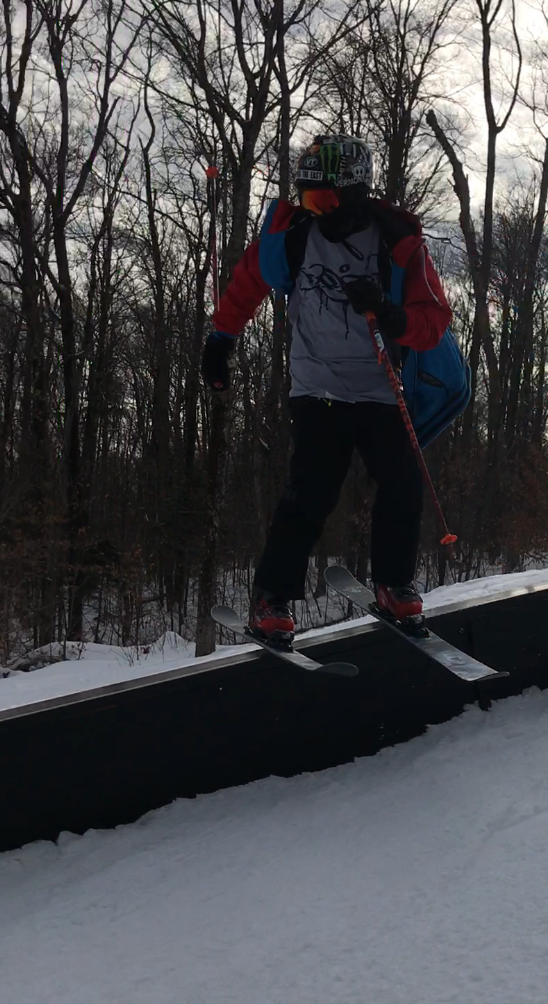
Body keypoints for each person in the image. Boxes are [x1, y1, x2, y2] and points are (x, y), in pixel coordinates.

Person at [201, 134, 452, 644]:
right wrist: (221, 338)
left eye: (326, 200)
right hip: (318, 388)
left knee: (403, 485)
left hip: (380, 389)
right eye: (309, 199)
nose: (316, 211)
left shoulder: (397, 245)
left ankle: (393, 583)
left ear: (357, 194)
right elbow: (248, 280)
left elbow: (433, 322)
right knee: (311, 492)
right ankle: (271, 599)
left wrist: (389, 312)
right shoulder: (293, 236)